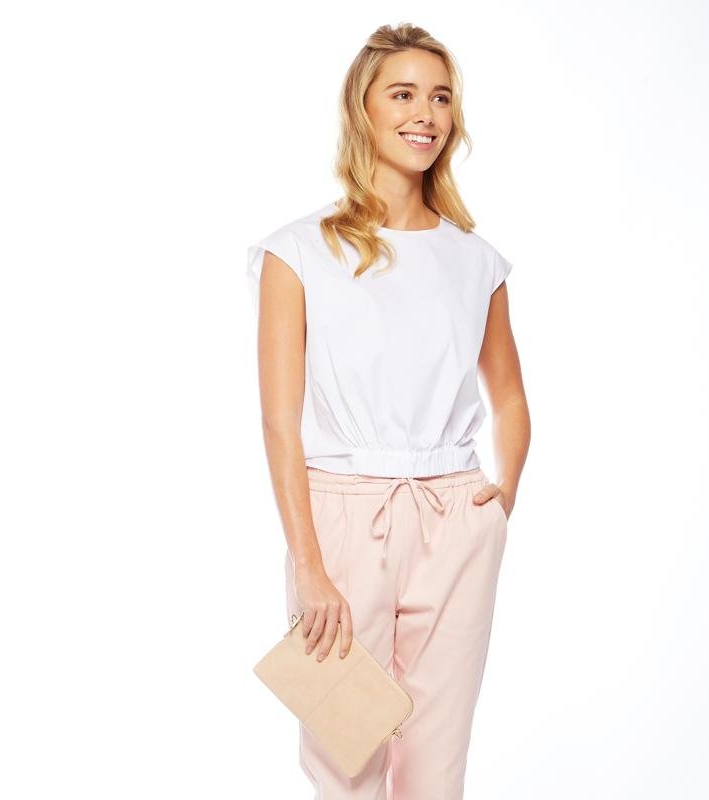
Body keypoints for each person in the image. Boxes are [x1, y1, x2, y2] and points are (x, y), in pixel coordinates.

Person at [246, 22, 530, 800]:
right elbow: (278, 420)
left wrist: (499, 501)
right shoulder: (297, 252)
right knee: (346, 760)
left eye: (440, 97)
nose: (425, 114)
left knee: (437, 763)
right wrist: (309, 565)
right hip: (341, 517)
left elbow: (509, 396)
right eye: (403, 94)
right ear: (362, 108)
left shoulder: (475, 260)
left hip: (455, 514)